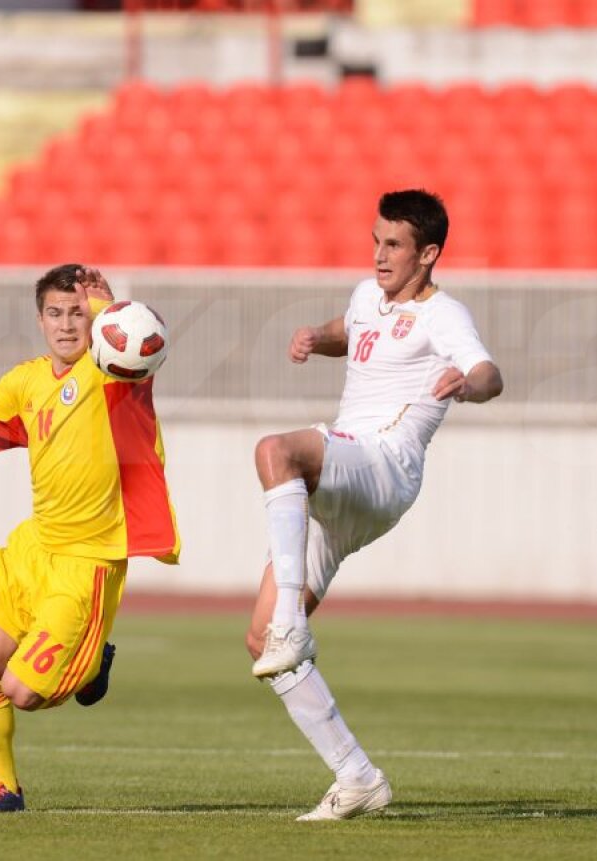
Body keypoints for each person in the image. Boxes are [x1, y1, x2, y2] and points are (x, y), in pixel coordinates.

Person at [245, 190, 503, 821]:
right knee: (261, 639)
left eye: (394, 245)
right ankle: (357, 778)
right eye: (376, 240)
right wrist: (315, 337)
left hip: (385, 463)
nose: (380, 254)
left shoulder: (444, 316)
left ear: (429, 254)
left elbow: (491, 373)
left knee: (276, 451)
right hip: (347, 483)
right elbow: (351, 332)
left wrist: (467, 386)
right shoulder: (367, 297)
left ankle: (293, 623)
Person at [0, 264, 180, 814]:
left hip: (88, 559)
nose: (66, 325)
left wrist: (108, 306)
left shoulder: (112, 371)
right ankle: (4, 788)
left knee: (22, 693)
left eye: (76, 313)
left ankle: (91, 662)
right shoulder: (26, 381)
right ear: (39, 320)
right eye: (55, 314)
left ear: (94, 320)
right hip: (35, 548)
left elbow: (137, 339)